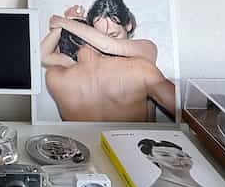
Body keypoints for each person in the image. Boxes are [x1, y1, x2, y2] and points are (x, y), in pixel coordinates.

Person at [40, 12, 176, 122]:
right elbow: (181, 108)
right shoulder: (140, 69)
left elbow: (42, 56)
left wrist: (62, 24)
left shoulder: (54, 78)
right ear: (95, 37)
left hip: (83, 152)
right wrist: (67, 22)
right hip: (131, 149)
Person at [50, 0, 158, 64]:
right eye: (99, 37)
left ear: (128, 25)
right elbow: (45, 56)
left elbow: (109, 45)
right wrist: (68, 22)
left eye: (114, 35)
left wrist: (63, 22)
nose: (103, 41)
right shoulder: (94, 59)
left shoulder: (147, 47)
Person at [138, 138, 222, 187]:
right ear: (152, 158)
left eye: (181, 155)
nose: (177, 159)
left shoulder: (211, 184)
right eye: (165, 155)